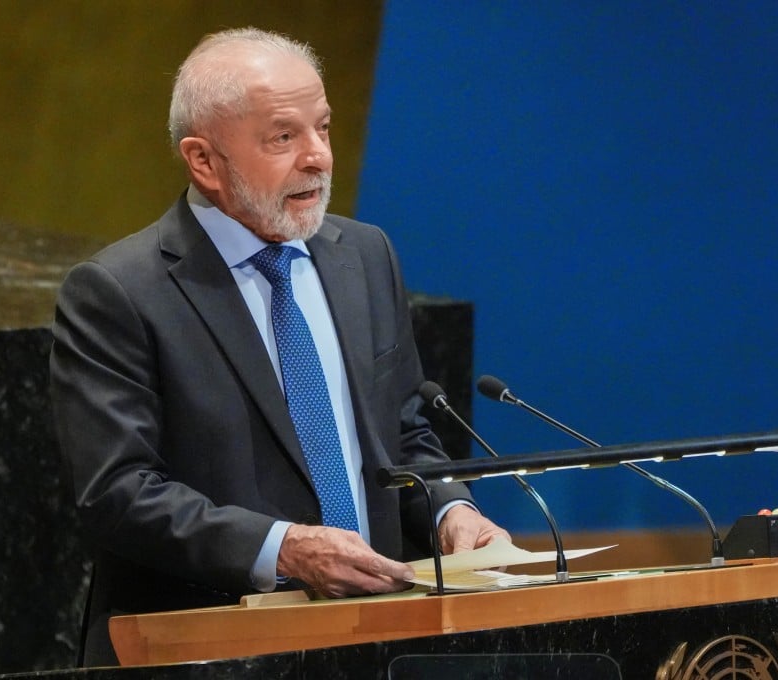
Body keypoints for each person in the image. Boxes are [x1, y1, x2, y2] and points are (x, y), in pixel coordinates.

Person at [49, 26, 510, 666]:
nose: (318, 156)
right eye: (284, 137)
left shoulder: (365, 256)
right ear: (203, 160)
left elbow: (402, 435)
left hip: (374, 641)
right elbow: (118, 493)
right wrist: (285, 548)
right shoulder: (119, 292)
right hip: (208, 649)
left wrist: (448, 513)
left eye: (323, 128)